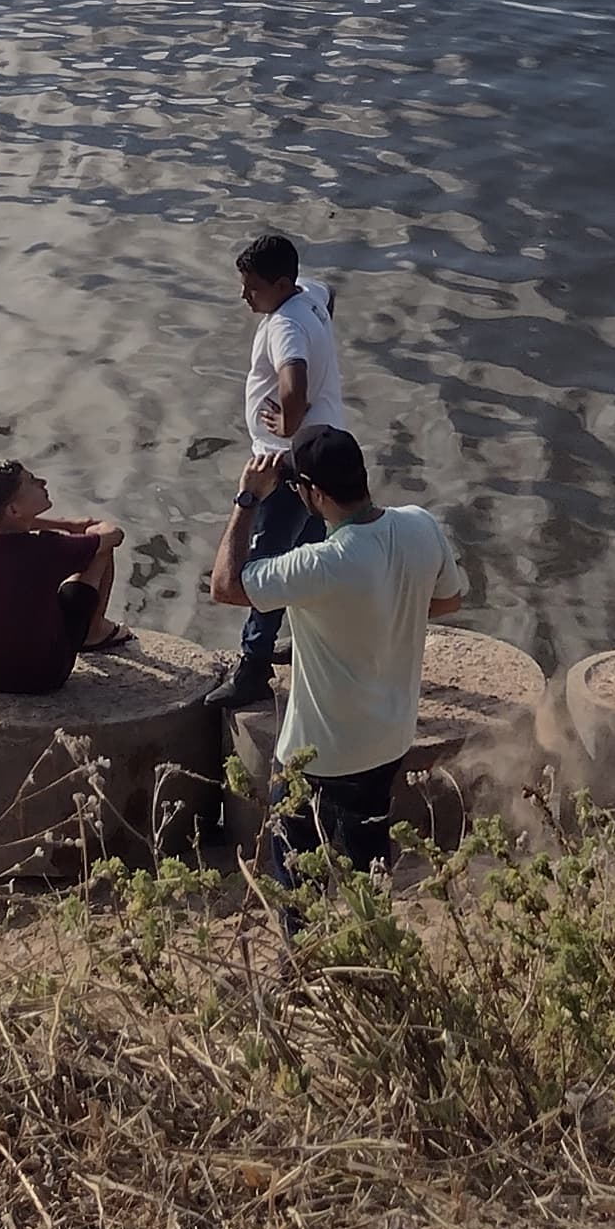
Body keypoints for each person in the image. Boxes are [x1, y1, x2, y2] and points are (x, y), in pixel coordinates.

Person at [211, 424, 462, 880]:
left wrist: (247, 498)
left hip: (319, 755)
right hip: (390, 739)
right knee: (371, 861)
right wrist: (385, 605)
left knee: (294, 871)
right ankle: (372, 941)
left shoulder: (321, 565)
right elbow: (449, 600)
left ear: (312, 492)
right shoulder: (420, 525)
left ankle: (302, 949)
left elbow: (225, 585)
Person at [217, 233, 346, 708]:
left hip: (285, 465)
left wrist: (287, 420)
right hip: (321, 454)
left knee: (265, 564)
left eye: (252, 287)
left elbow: (293, 382)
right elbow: (329, 291)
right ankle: (314, 640)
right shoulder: (308, 297)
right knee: (312, 550)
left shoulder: (285, 326)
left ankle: (253, 668)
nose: (244, 295)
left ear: (280, 282)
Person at [0, 460, 135, 694]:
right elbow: (114, 536)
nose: (43, 482)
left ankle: (89, 630)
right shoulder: (47, 549)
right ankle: (94, 632)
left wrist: (67, 524)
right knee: (98, 550)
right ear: (14, 510)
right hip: (43, 676)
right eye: (32, 481)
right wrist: (94, 529)